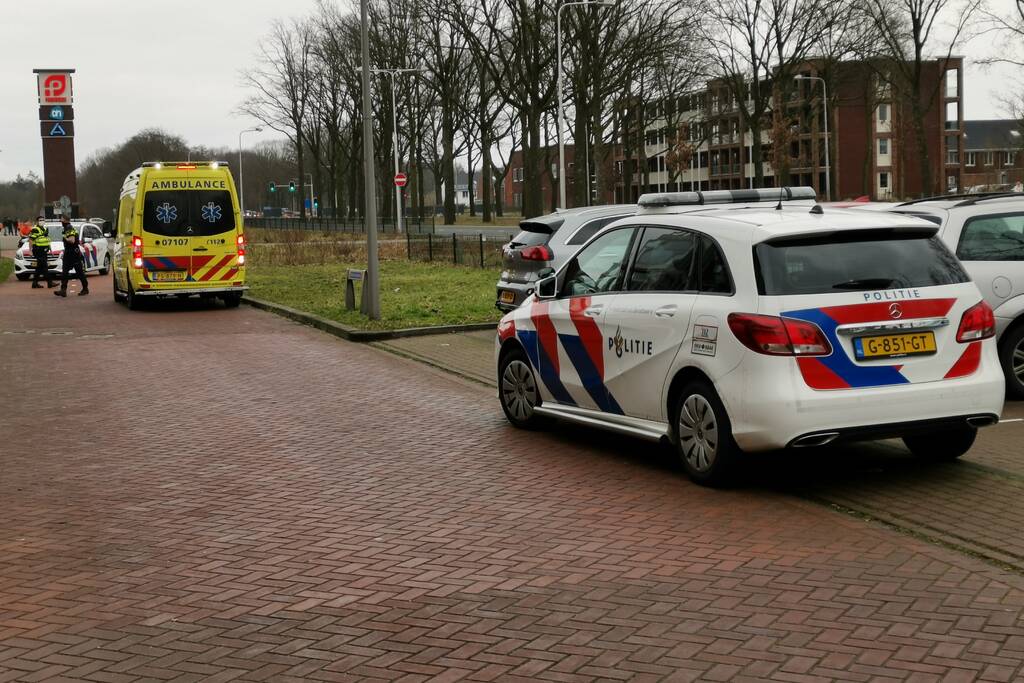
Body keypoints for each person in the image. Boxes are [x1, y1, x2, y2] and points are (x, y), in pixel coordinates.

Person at [54, 216, 88, 297]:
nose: (60, 221)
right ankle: (63, 290)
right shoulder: (67, 227)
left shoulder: (69, 227)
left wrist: (65, 238)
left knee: (79, 272)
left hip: (72, 253)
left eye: (62, 219)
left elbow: (72, 240)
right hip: (69, 252)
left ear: (65, 220)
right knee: (65, 272)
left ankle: (85, 288)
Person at [28, 216, 56, 289]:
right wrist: (30, 250)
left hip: (44, 250)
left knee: (39, 267)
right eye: (40, 220)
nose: (42, 221)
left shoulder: (45, 229)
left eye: (43, 220)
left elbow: (47, 240)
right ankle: (50, 282)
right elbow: (31, 240)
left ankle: (35, 283)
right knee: (44, 266)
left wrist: (50, 250)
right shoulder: (35, 229)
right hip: (38, 250)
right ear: (37, 221)